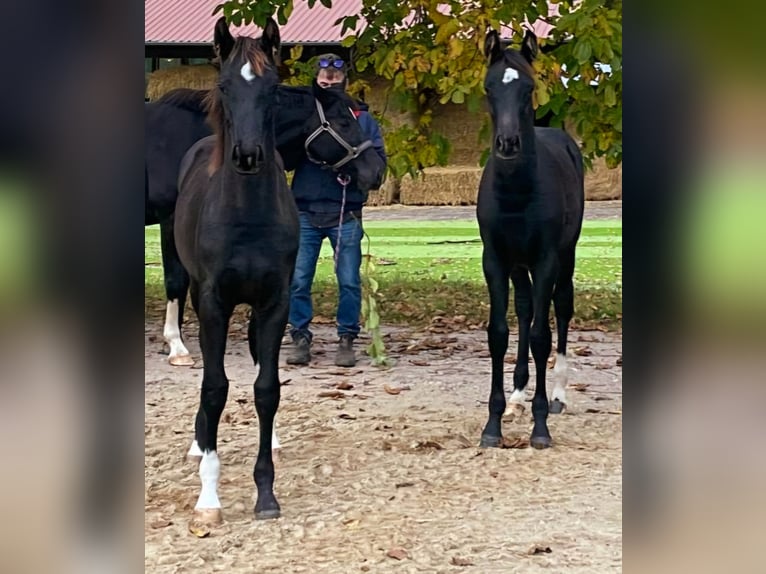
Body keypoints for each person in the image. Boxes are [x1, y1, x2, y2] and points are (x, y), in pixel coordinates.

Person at [286, 54, 387, 367]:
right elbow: (287, 156)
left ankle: (346, 338)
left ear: (344, 79)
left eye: (334, 76)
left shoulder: (362, 118)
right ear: (316, 78)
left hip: (346, 211)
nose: (329, 80)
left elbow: (377, 160)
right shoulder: (303, 116)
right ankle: (300, 336)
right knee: (299, 279)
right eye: (324, 75)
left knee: (348, 280)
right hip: (305, 209)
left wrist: (356, 171)